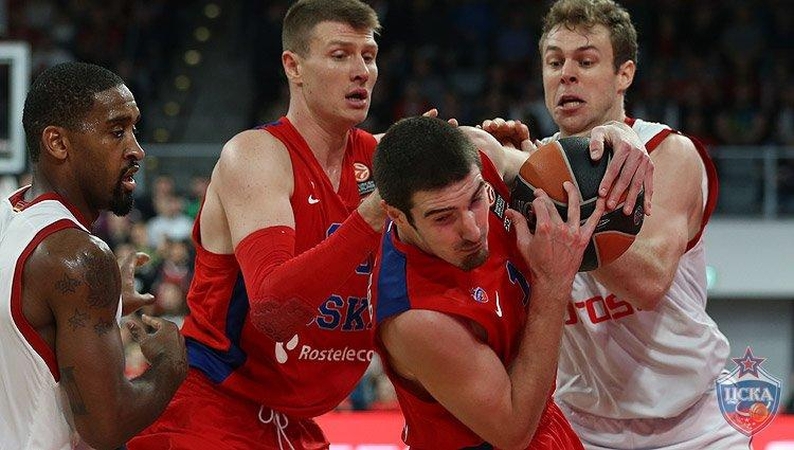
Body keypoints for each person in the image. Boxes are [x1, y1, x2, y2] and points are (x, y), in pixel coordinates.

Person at [483, 0, 747, 448]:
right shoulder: (529, 163)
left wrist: (535, 186)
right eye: (554, 62)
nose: (567, 74)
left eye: (585, 62)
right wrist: (503, 182)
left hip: (693, 428)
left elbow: (648, 281)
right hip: (580, 425)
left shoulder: (667, 150)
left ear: (624, 74)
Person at [128, 1, 386, 448]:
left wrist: (512, 158)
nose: (361, 71)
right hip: (210, 406)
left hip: (292, 421)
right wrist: (372, 215)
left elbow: (477, 149)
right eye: (340, 55)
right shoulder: (254, 157)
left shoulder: (380, 161)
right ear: (294, 66)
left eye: (369, 55)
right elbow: (274, 311)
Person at [371, 115, 605, 449]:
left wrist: (617, 136)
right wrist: (553, 284)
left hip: (551, 422)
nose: (472, 229)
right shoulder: (417, 318)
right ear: (396, 215)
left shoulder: (481, 152)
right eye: (443, 217)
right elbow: (514, 432)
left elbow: (572, 177)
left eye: (476, 200)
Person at [1, 61, 187, 450]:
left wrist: (108, 304)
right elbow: (106, 428)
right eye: (116, 132)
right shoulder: (78, 256)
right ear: (58, 143)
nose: (136, 149)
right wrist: (170, 366)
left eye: (134, 130)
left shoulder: (8, 214)